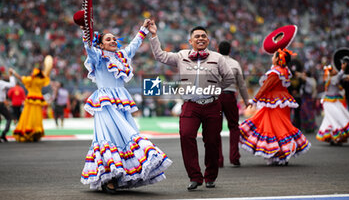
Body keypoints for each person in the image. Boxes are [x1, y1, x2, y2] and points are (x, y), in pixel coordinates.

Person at [78, 19, 172, 193]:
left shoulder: (122, 56)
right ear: (101, 44)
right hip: (104, 102)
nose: (113, 41)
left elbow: (135, 44)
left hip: (121, 102)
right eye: (108, 40)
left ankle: (121, 175)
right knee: (109, 137)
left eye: (114, 39)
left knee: (125, 137)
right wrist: (86, 33)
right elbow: (89, 48)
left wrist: (144, 29)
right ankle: (109, 176)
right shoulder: (98, 57)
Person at [148, 20, 234, 190]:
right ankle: (195, 177)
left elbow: (230, 78)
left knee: (212, 142)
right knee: (186, 136)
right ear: (191, 41)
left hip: (212, 105)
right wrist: (153, 35)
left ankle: (210, 177)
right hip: (190, 105)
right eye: (197, 36)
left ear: (208, 40)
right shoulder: (181, 55)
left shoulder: (218, 58)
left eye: (204, 36)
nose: (201, 38)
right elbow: (160, 55)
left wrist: (216, 89)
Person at [239, 49, 311, 165]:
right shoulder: (285, 70)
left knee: (274, 127)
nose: (272, 58)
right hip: (281, 101)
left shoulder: (275, 72)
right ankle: (279, 154)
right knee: (279, 126)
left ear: (278, 59)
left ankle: (279, 153)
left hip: (274, 102)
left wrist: (255, 99)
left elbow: (265, 87)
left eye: (274, 56)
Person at [217, 41, 251, 168]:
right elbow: (241, 84)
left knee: (215, 128)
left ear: (218, 50)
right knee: (234, 127)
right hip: (230, 96)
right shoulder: (235, 64)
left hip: (216, 96)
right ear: (230, 50)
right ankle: (234, 157)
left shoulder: (214, 61)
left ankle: (218, 160)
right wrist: (246, 100)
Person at [11, 56, 52, 142]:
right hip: (38, 99)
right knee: (37, 116)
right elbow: (46, 74)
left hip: (31, 99)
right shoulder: (41, 80)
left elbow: (21, 78)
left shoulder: (31, 79)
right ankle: (36, 132)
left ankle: (28, 131)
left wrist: (13, 72)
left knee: (28, 116)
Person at [316, 62, 349, 145]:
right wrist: (342, 70)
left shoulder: (333, 77)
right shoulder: (331, 79)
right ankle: (337, 137)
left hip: (334, 102)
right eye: (334, 69)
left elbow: (342, 77)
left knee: (331, 120)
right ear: (330, 72)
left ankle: (332, 137)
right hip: (329, 103)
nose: (336, 70)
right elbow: (338, 78)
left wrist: (345, 74)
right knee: (338, 118)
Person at [0, 69, 16, 142]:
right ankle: (3, 134)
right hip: (0, 104)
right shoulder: (1, 83)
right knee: (9, 118)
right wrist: (10, 75)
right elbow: (12, 85)